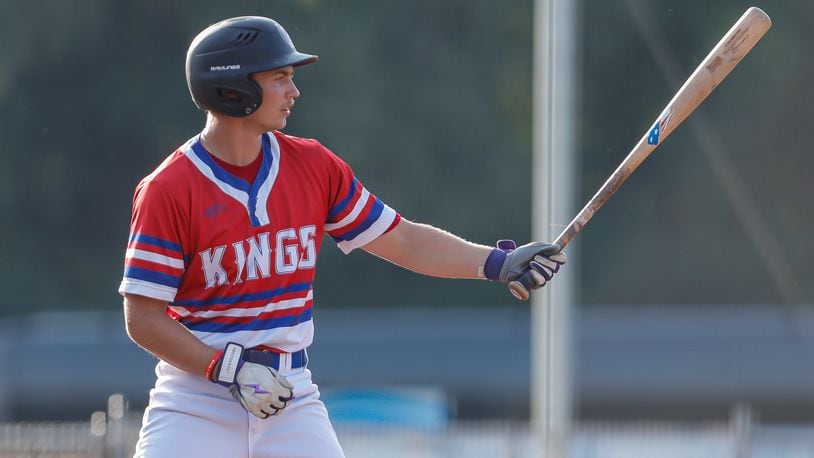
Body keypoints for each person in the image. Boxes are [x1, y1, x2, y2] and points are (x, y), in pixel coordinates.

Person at [119, 15, 566, 458]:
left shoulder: (313, 165)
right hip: (196, 401)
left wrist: (497, 262)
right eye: (280, 78)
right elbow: (142, 318)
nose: (293, 91)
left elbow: (402, 239)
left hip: (289, 399)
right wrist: (227, 368)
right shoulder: (168, 189)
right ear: (234, 89)